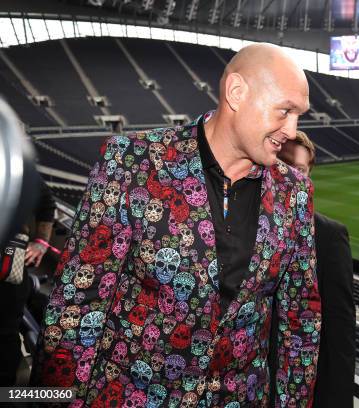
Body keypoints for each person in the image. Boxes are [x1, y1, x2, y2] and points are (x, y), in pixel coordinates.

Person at [32, 43, 321, 407]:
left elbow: (300, 321)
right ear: (236, 92)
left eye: (300, 115)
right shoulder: (131, 162)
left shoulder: (294, 192)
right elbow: (76, 306)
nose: (292, 130)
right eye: (285, 111)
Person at [277, 131, 355, 407]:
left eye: (299, 170)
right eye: (281, 164)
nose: (289, 176)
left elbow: (340, 334)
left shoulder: (329, 236)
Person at [0, 176, 56, 385]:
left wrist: (41, 243)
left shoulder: (11, 161)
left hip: (7, 261)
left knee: (5, 331)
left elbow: (46, 201)